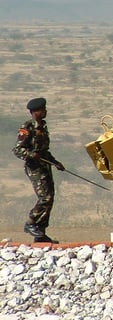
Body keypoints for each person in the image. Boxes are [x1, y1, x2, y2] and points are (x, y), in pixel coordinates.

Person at [12, 97, 65, 243]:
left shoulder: (43, 127)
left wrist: (55, 163)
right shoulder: (27, 127)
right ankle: (31, 223)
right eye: (42, 109)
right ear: (35, 112)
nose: (45, 111)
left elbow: (44, 151)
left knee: (50, 198)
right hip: (34, 168)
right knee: (45, 198)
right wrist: (31, 155)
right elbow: (17, 150)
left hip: (45, 166)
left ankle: (40, 233)